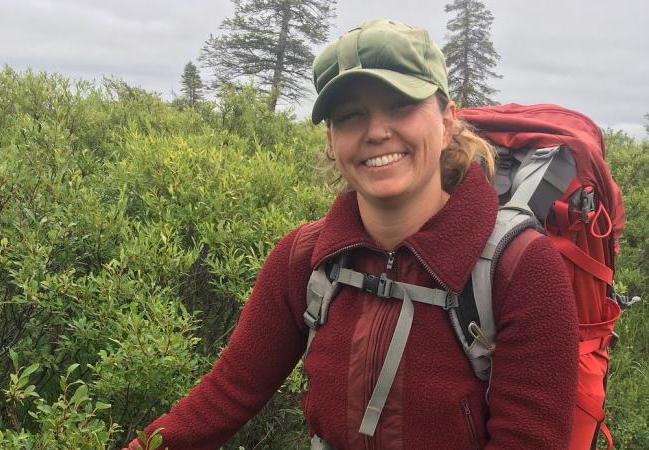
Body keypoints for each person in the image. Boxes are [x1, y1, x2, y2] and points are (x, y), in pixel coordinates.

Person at [127, 19, 578, 449]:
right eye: (351, 115)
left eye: (402, 105)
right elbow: (225, 396)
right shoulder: (304, 258)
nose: (377, 132)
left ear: (446, 122)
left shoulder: (521, 268)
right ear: (330, 140)